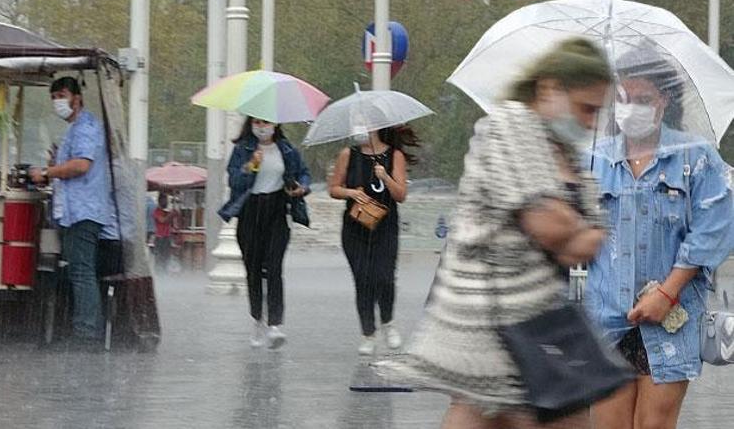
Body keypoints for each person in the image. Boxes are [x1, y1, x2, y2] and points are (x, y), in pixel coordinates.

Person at [376, 38, 612, 428]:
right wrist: (571, 225)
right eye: (587, 108)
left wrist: (567, 224)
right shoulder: (509, 125)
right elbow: (551, 228)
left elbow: (587, 243)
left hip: (540, 323)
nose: (591, 122)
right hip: (486, 329)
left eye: (598, 112)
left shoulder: (564, 150)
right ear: (550, 89)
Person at [584, 50, 734, 429]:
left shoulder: (694, 157)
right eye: (623, 98)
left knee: (654, 424)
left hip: (671, 319)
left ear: (664, 100)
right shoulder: (593, 160)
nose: (630, 108)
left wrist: (667, 293)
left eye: (643, 99)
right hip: (607, 319)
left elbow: (715, 228)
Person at [31, 76, 113, 341]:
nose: (58, 102)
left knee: (81, 271)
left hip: (83, 211)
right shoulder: (74, 129)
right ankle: (82, 327)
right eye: (54, 97)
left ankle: (86, 332)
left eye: (62, 95)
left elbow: (81, 165)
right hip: (72, 212)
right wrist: (55, 165)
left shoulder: (86, 127)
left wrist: (47, 172)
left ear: (77, 98)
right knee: (77, 270)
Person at [219, 117, 311, 349]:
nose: (262, 127)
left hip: (277, 210)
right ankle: (258, 319)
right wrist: (251, 165)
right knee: (253, 269)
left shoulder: (286, 149)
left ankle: (275, 324)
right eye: (257, 122)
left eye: (266, 122)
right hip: (250, 210)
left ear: (275, 124)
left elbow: (303, 173)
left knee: (274, 268)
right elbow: (234, 181)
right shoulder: (243, 149)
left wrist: (302, 187)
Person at [328, 126, 418, 355]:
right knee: (363, 279)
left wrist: (385, 177)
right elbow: (334, 189)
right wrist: (351, 193)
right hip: (355, 227)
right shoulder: (348, 154)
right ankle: (368, 333)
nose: (359, 129)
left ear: (376, 127)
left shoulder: (394, 155)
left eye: (364, 124)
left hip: (385, 227)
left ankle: (388, 322)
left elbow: (401, 195)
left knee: (384, 277)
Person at [153, 192, 173, 273]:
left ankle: (165, 273)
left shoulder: (166, 212)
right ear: (160, 200)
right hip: (160, 237)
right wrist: (171, 214)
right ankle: (159, 273)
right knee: (159, 258)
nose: (166, 202)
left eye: (167, 200)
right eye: (165, 200)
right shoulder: (157, 211)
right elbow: (162, 220)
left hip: (167, 237)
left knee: (166, 258)